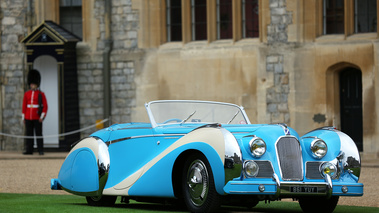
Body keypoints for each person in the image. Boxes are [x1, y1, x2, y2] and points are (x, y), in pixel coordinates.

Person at [22, 69, 48, 155]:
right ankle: (29, 150)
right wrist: (23, 117)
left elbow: (45, 106)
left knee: (39, 134)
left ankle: (40, 150)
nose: (32, 85)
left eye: (33, 84)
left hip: (37, 117)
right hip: (28, 116)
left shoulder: (41, 94)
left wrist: (42, 117)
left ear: (36, 84)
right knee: (29, 134)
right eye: (31, 83)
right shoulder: (27, 94)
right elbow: (24, 105)